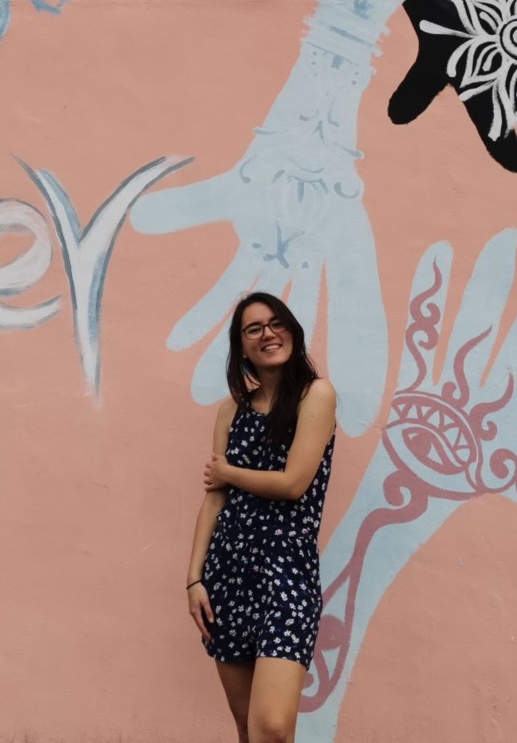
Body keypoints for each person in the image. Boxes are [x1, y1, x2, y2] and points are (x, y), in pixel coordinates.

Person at [186, 292, 337, 743]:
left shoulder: (317, 394)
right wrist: (194, 579)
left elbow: (293, 483)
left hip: (287, 574)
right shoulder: (230, 411)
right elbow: (214, 500)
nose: (268, 334)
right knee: (247, 727)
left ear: (291, 329)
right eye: (254, 329)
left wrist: (228, 471)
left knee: (271, 727)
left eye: (276, 323)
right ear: (242, 346)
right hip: (227, 577)